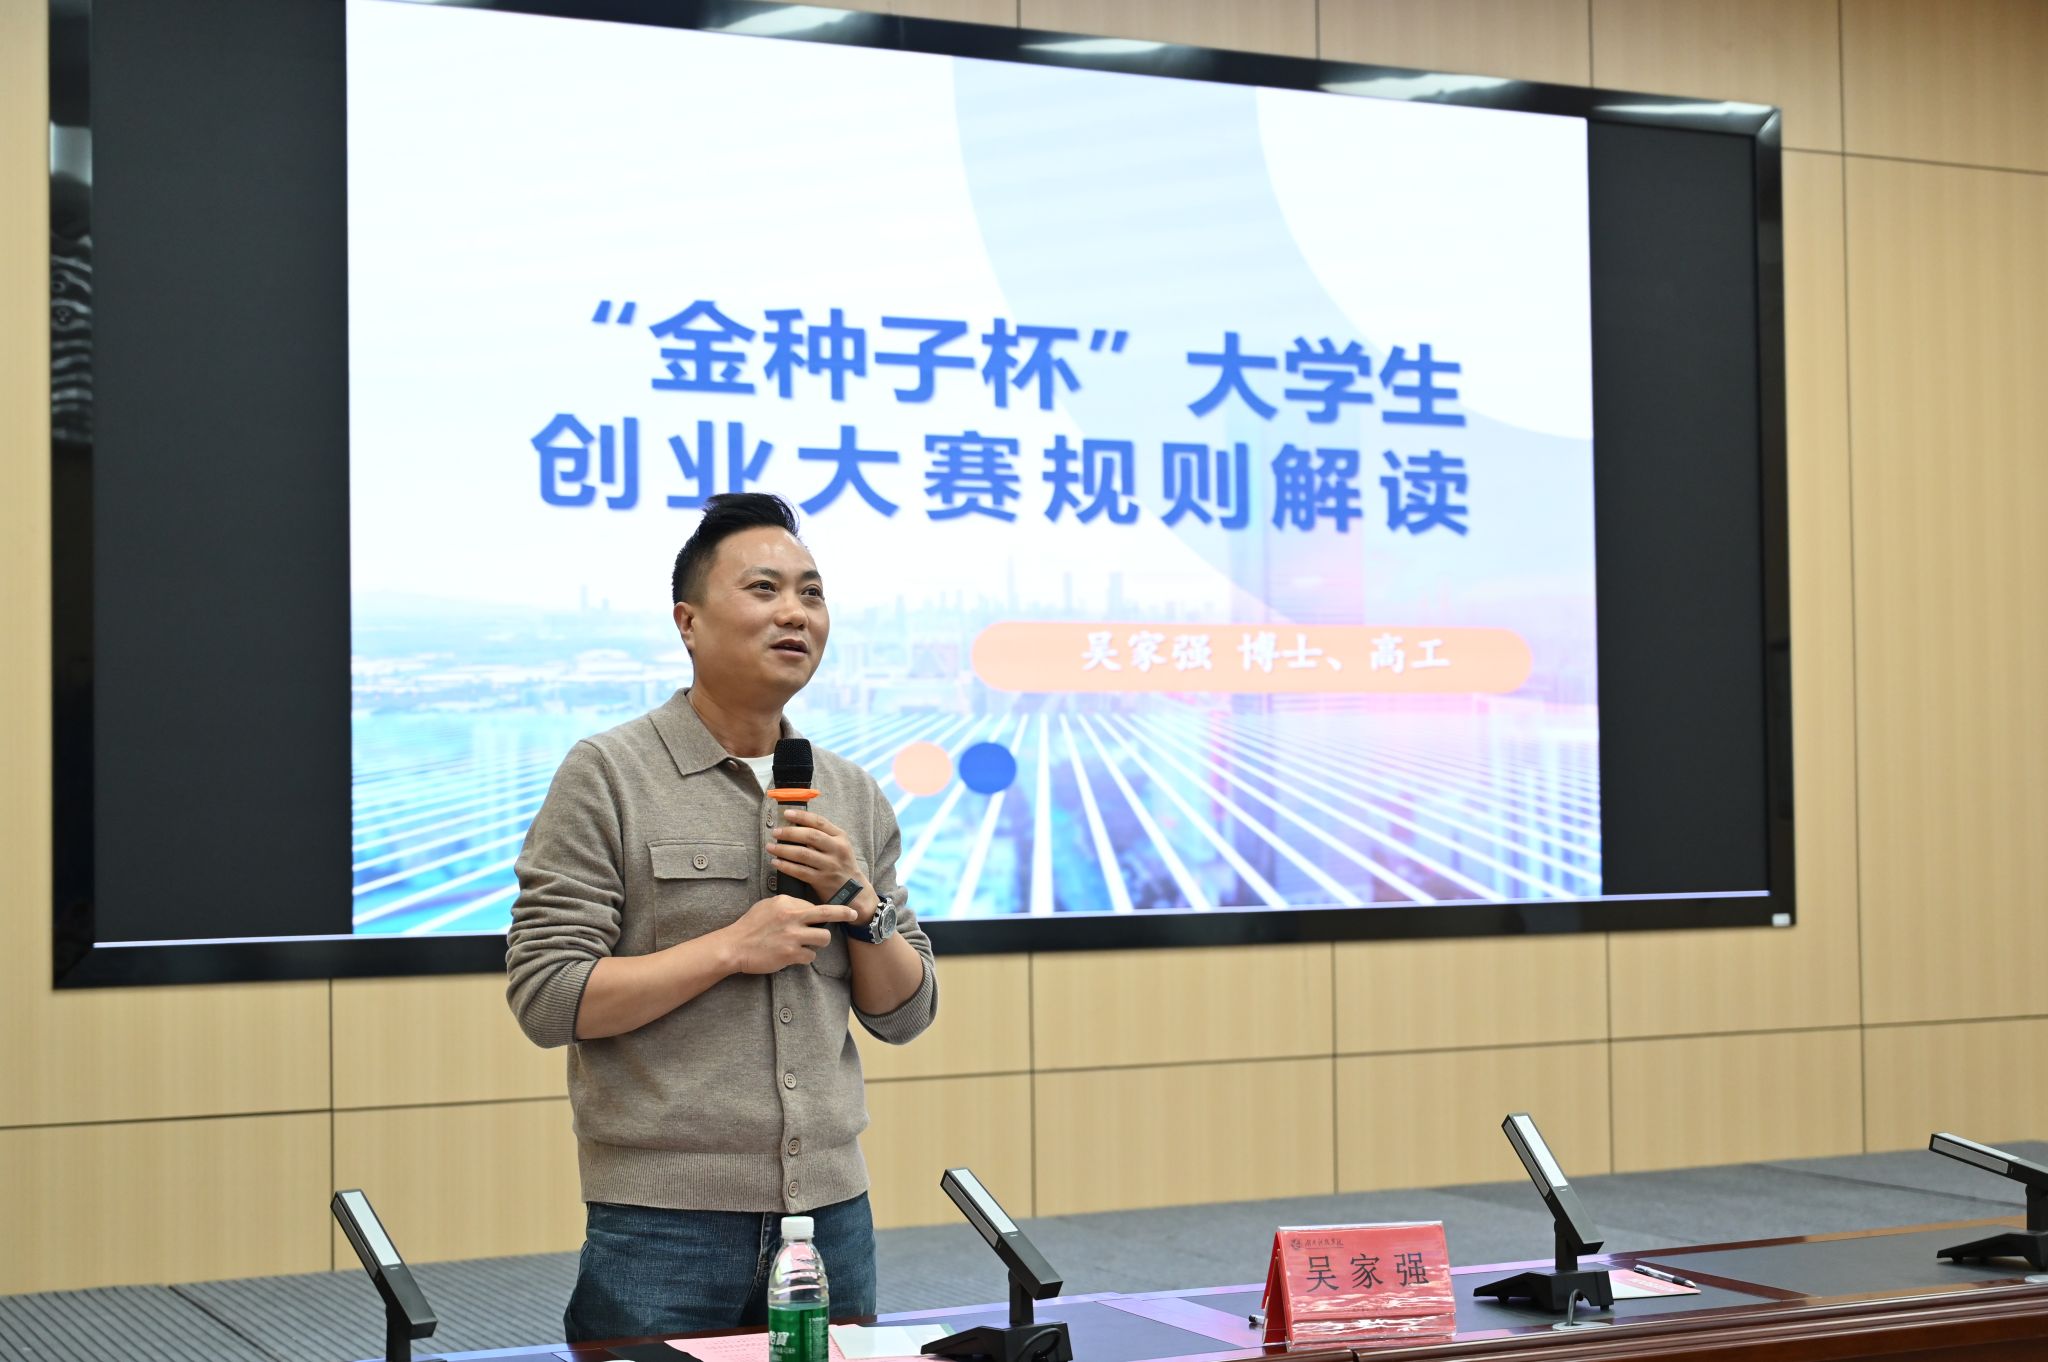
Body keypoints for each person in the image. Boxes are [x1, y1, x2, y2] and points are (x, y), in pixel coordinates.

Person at [506, 492, 938, 1343]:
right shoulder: (608, 774)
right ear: (689, 622)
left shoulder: (851, 791)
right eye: (764, 589)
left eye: (812, 594)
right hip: (663, 1225)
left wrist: (864, 906)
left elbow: (907, 1013)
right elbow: (548, 998)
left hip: (831, 1216)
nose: (796, 613)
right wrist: (732, 948)